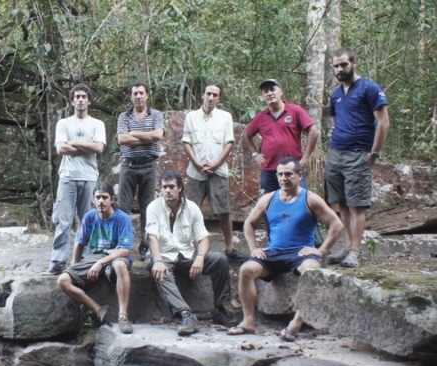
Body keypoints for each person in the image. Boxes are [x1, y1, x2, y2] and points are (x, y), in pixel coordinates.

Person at [228, 158, 343, 340]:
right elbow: (249, 223)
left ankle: (295, 323)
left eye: (288, 174)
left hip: (300, 253)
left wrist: (321, 251)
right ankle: (248, 321)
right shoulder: (268, 199)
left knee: (312, 271)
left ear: (299, 175)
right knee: (246, 270)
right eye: (280, 174)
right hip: (274, 253)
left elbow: (336, 224)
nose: (283, 178)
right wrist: (253, 248)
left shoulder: (310, 199)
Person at [146, 171, 240, 336]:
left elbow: (203, 238)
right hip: (164, 256)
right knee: (160, 272)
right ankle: (186, 315)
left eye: (171, 187)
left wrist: (200, 258)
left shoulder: (192, 208)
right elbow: (151, 237)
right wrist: (157, 260)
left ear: (180, 188)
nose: (167, 191)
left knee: (219, 259)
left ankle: (219, 310)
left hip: (187, 255)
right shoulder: (153, 207)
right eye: (164, 187)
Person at [324, 47, 389, 268]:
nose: (340, 69)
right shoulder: (335, 95)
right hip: (336, 154)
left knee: (356, 205)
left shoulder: (370, 89)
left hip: (359, 154)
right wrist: (335, 132)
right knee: (341, 202)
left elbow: (383, 122)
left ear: (354, 62)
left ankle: (355, 252)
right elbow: (335, 119)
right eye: (336, 66)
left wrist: (374, 153)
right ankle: (346, 246)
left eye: (344, 64)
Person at [44, 84, 107, 275]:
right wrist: (86, 146)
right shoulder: (64, 124)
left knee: (87, 220)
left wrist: (73, 143)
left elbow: (99, 148)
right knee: (63, 220)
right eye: (77, 97)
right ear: (72, 100)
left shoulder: (97, 124)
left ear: (89, 100)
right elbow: (61, 149)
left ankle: (86, 261)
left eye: (83, 97)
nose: (80, 100)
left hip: (89, 177)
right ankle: (57, 262)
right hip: (68, 177)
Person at [182, 83, 248, 263]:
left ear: (219, 98)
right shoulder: (191, 117)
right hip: (196, 172)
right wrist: (196, 163)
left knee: (224, 210)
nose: (211, 98)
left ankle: (230, 248)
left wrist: (216, 163)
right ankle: (186, 247)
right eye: (208, 94)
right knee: (190, 209)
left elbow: (229, 142)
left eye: (215, 95)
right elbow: (187, 142)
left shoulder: (225, 117)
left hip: (218, 170)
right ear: (202, 95)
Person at [57, 182, 134, 334]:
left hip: (116, 255)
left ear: (112, 199)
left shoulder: (122, 218)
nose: (101, 201)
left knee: (119, 265)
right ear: (93, 200)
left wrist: (101, 262)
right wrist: (74, 267)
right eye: (98, 197)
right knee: (63, 280)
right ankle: (98, 310)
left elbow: (125, 249)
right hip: (94, 256)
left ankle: (123, 315)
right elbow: (80, 243)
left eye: (105, 197)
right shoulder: (89, 217)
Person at [117, 81, 165, 261]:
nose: (138, 96)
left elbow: (158, 136)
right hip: (128, 165)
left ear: (147, 96)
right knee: (123, 208)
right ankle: (122, 245)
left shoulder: (156, 115)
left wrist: (133, 134)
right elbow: (122, 139)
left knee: (148, 208)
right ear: (131, 96)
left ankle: (145, 247)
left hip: (149, 166)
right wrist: (147, 137)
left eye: (141, 93)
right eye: (135, 93)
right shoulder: (124, 116)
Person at [244, 79, 319, 193]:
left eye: (272, 89)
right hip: (269, 170)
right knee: (270, 205)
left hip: (292, 168)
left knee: (299, 204)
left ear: (281, 91)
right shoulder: (260, 117)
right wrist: (255, 154)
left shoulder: (295, 110)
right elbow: (247, 135)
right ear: (263, 95)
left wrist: (306, 157)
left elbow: (313, 131)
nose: (269, 93)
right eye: (266, 91)